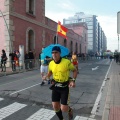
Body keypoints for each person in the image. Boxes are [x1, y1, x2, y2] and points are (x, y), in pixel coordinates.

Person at [43, 46, 77, 120]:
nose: (54, 54)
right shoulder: (51, 63)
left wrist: (73, 80)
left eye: (56, 52)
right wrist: (47, 76)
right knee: (55, 106)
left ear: (60, 53)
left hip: (64, 87)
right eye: (52, 53)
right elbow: (50, 72)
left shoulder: (66, 62)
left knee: (64, 108)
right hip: (55, 86)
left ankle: (70, 110)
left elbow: (74, 70)